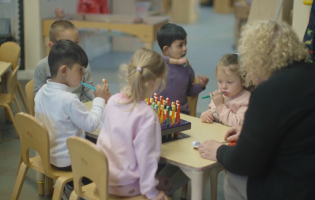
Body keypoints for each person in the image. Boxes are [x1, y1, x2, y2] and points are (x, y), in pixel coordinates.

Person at [198, 20, 315, 200]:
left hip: (311, 189)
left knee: (233, 178)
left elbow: (245, 163)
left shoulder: (269, 90)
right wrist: (249, 131)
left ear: (256, 60)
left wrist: (219, 150)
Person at [34, 40, 109, 195]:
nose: (83, 74)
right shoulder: (69, 99)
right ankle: (79, 191)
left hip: (48, 155)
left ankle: (71, 187)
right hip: (67, 161)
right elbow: (91, 124)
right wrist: (100, 100)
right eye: (80, 70)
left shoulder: (42, 91)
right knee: (106, 152)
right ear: (64, 71)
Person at [97, 48, 172, 200]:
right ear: (155, 82)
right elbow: (147, 159)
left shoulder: (111, 101)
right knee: (168, 182)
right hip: (127, 186)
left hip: (102, 179)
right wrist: (152, 194)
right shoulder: (146, 115)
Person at [34, 20, 107, 102]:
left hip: (79, 106)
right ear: (52, 46)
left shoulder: (82, 64)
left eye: (76, 42)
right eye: (67, 44)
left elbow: (88, 88)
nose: (74, 48)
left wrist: (98, 95)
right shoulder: (42, 66)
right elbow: (38, 97)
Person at [156, 23, 209, 115]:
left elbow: (188, 92)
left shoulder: (186, 68)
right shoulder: (157, 64)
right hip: (157, 113)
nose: (185, 48)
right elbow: (154, 58)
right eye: (180, 45)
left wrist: (200, 85)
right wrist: (176, 62)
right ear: (166, 50)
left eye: (185, 44)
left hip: (180, 115)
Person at [200, 54, 251, 126]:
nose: (223, 86)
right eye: (220, 81)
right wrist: (206, 115)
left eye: (229, 82)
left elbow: (238, 123)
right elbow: (212, 111)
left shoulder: (246, 100)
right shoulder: (219, 96)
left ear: (243, 81)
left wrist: (220, 106)